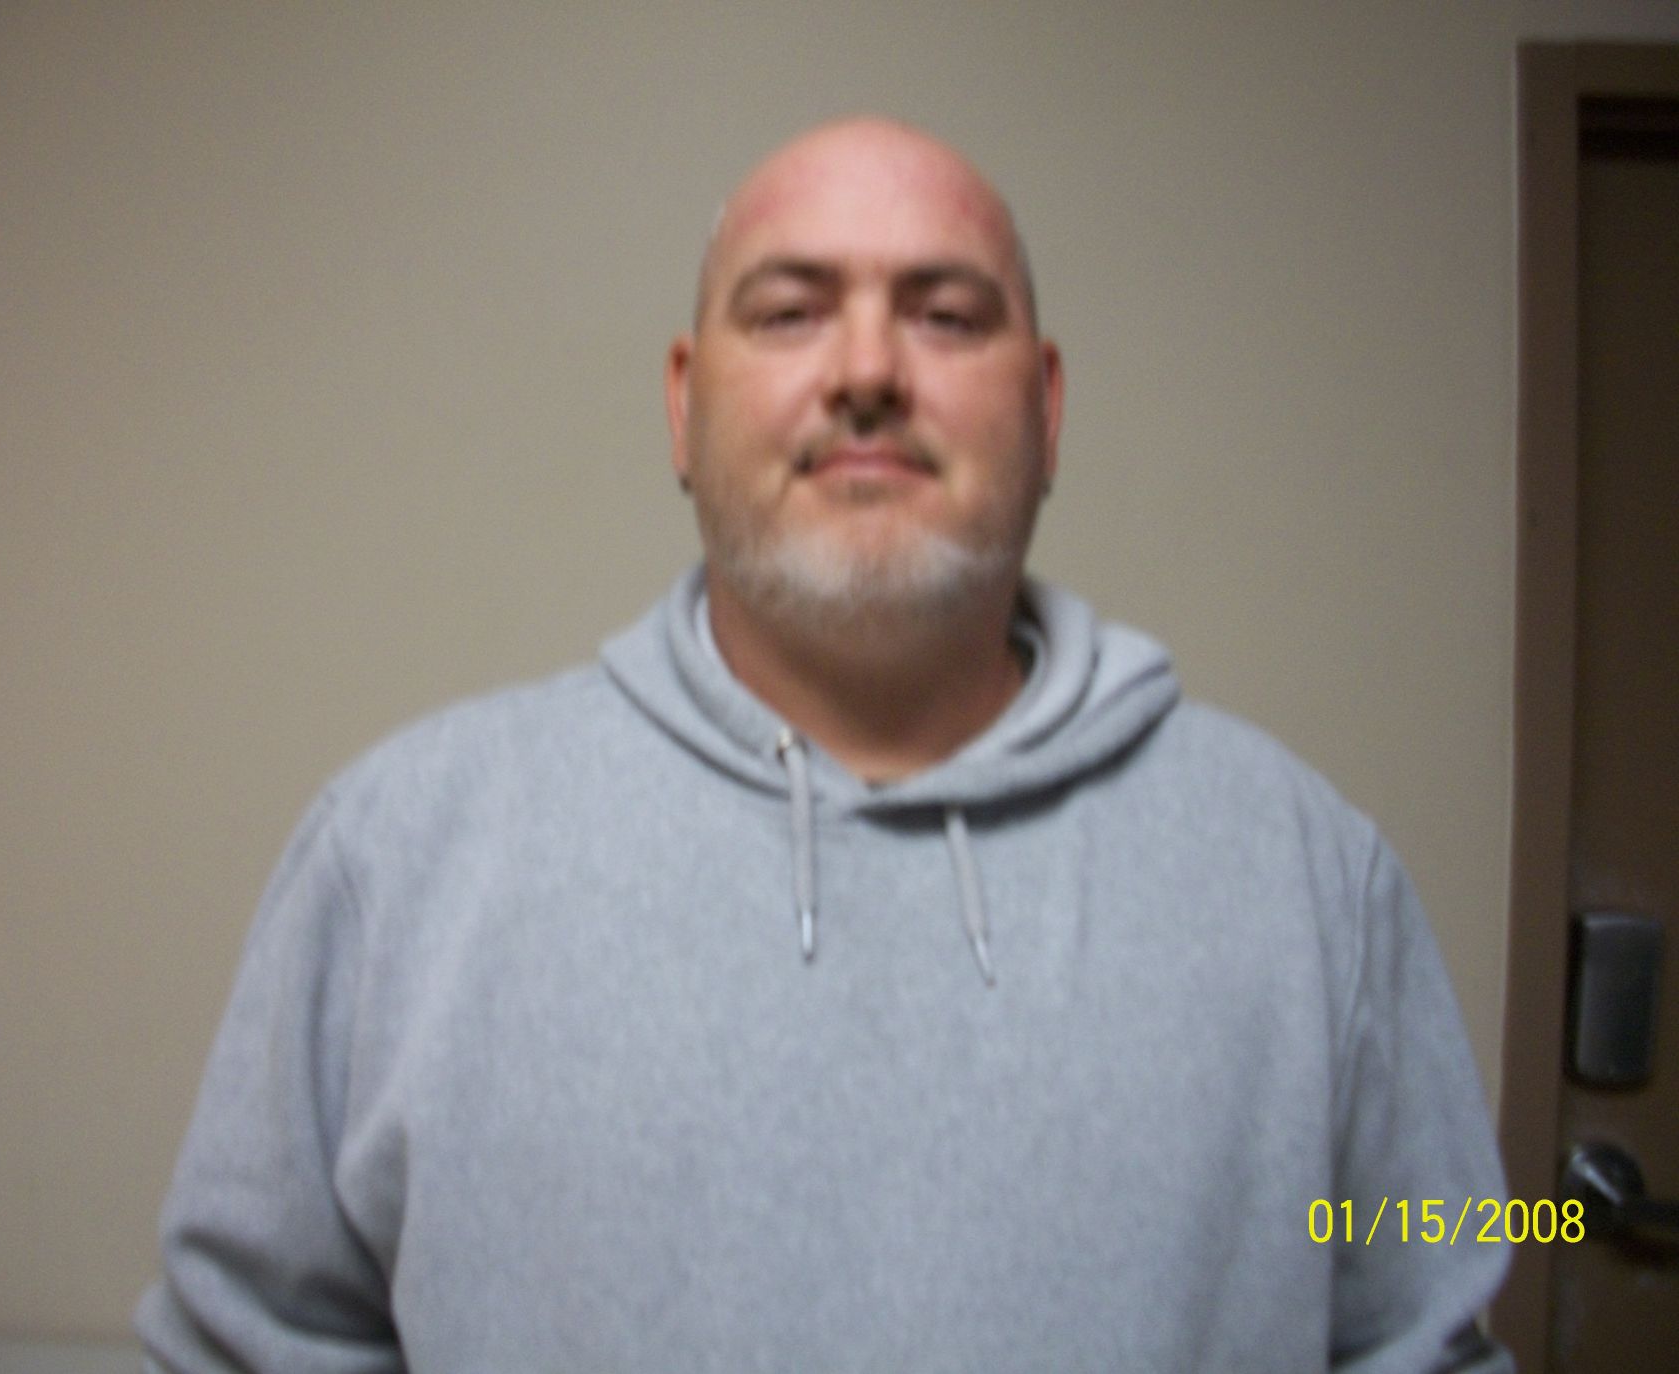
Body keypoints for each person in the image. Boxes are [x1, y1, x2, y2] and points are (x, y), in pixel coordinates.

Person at [138, 118, 1514, 1372]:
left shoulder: (1308, 877)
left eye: (947, 316)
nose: (867, 373)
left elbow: (1427, 1309)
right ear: (684, 404)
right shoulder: (395, 860)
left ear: (1045, 409)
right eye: (791, 312)